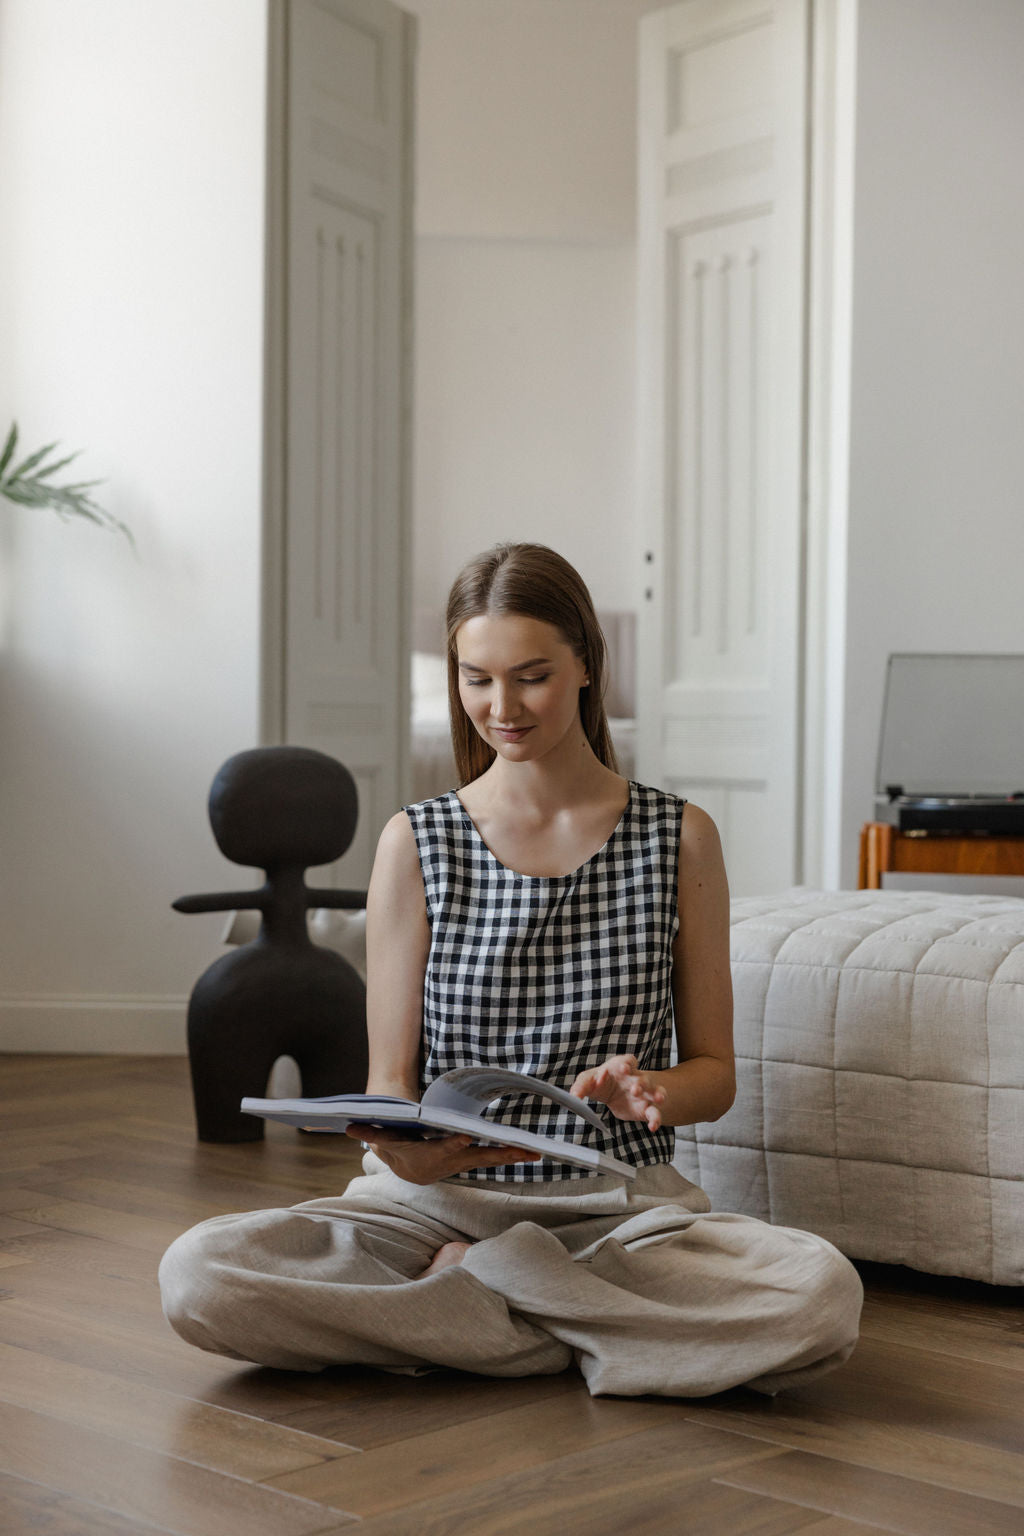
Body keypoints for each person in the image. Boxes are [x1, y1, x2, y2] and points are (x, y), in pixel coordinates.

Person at [159, 542, 862, 1397]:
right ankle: (566, 1326)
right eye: (476, 679)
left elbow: (714, 1077)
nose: (502, 708)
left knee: (820, 1296)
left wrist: (654, 1093)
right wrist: (403, 1150)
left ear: (586, 668)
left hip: (617, 1212)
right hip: (428, 1210)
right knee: (199, 1274)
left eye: (530, 676)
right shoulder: (415, 842)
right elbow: (390, 1080)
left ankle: (477, 1297)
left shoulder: (680, 837)